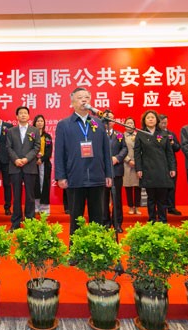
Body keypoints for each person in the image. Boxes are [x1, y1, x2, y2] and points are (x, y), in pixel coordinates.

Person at [54, 87, 112, 236]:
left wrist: (108, 174)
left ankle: (97, 247)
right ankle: (75, 249)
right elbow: (59, 152)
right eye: (80, 98)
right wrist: (61, 176)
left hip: (97, 176)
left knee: (97, 219)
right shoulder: (64, 124)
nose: (84, 100)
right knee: (76, 219)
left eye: (86, 97)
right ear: (72, 102)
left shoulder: (99, 123)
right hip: (75, 177)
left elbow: (106, 151)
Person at [134, 110, 176, 223]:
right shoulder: (141, 134)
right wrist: (138, 169)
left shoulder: (163, 133)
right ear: (144, 121)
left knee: (162, 199)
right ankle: (152, 220)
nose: (151, 119)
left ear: (157, 120)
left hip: (163, 169)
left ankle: (163, 220)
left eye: (152, 117)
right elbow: (137, 153)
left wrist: (172, 168)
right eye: (148, 118)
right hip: (148, 169)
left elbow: (169, 153)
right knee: (151, 198)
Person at [7, 106, 40, 231]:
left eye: (25, 113)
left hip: (29, 166)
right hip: (15, 167)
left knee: (30, 196)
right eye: (20, 113)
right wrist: (16, 159)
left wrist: (26, 159)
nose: (23, 115)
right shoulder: (11, 131)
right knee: (16, 196)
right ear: (17, 116)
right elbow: (8, 147)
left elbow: (36, 147)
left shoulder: (34, 130)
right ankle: (15, 223)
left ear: (29, 116)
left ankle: (29, 223)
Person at [102, 110, 128, 233]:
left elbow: (125, 149)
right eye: (106, 118)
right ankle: (105, 223)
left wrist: (117, 158)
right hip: (102, 171)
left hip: (117, 170)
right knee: (103, 199)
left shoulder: (119, 135)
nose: (109, 121)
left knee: (117, 199)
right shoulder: (98, 134)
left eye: (111, 118)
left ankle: (117, 223)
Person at [159, 114, 182, 215]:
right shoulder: (155, 134)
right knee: (160, 188)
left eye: (165, 123)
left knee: (172, 186)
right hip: (159, 164)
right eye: (162, 123)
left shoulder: (171, 134)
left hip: (171, 164)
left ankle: (171, 207)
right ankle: (161, 208)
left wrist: (173, 144)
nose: (164, 125)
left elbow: (178, 148)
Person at [33, 114, 52, 214]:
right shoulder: (31, 136)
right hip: (33, 164)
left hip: (45, 164)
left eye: (41, 121)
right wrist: (36, 158)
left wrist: (42, 159)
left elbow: (49, 151)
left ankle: (44, 208)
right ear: (34, 123)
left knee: (44, 185)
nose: (40, 123)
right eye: (38, 121)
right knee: (35, 185)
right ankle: (36, 207)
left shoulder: (47, 137)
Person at [122, 117, 141, 215]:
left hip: (138, 164)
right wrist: (128, 160)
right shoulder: (121, 136)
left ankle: (137, 207)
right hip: (126, 164)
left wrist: (137, 161)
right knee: (128, 187)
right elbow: (119, 149)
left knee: (138, 187)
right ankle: (130, 207)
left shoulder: (139, 135)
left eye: (131, 123)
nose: (129, 125)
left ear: (134, 125)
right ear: (124, 125)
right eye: (128, 123)